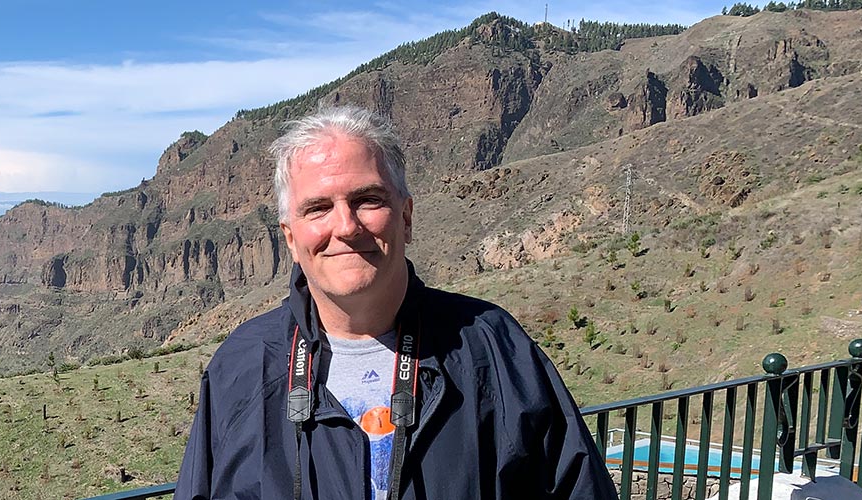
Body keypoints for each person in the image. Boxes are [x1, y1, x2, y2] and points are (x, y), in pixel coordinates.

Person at [174, 106, 616, 500]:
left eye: (368, 200)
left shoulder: (493, 349)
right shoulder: (243, 366)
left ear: (405, 217)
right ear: (290, 238)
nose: (345, 227)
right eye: (317, 208)